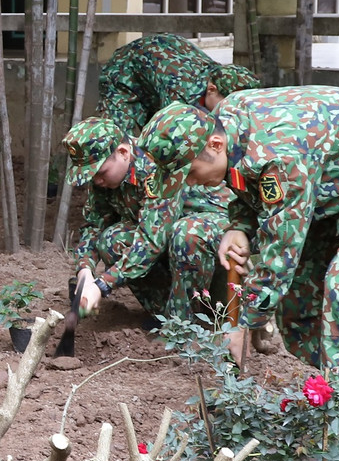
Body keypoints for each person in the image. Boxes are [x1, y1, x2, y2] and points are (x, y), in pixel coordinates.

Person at [134, 87, 339, 381]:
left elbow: (282, 248)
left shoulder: (278, 152)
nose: (189, 184)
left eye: (189, 173)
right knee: (297, 309)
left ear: (215, 145)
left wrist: (243, 323)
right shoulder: (227, 125)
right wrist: (239, 228)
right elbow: (254, 190)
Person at [63, 116, 229, 324]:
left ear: (123, 152)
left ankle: (188, 325)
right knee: (112, 240)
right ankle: (167, 317)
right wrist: (84, 271)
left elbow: (152, 241)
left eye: (100, 173)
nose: (97, 181)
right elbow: (94, 224)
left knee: (186, 234)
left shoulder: (155, 165)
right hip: (174, 246)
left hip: (215, 246)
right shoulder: (104, 179)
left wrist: (103, 284)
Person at [97, 33, 261, 136]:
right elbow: (168, 139)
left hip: (158, 70)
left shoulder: (219, 76)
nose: (233, 113)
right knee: (117, 142)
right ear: (212, 89)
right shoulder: (181, 96)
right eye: (229, 106)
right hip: (123, 72)